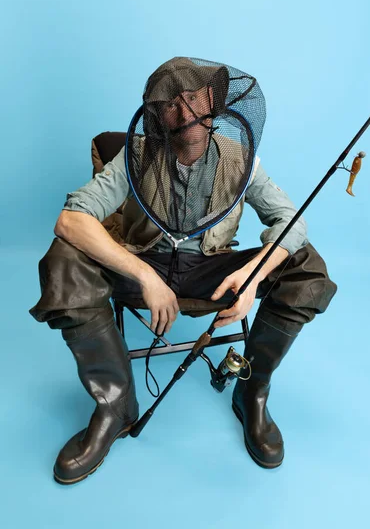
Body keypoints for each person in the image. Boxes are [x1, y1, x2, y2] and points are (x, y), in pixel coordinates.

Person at [29, 57, 337, 485]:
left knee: (306, 265)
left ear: (214, 101)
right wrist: (146, 276)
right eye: (171, 103)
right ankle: (115, 406)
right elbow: (71, 220)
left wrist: (252, 276)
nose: (185, 111)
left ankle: (252, 391)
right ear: (156, 113)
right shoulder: (135, 154)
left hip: (212, 269)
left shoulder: (241, 157)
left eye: (193, 98)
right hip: (142, 266)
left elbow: (292, 222)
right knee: (63, 261)